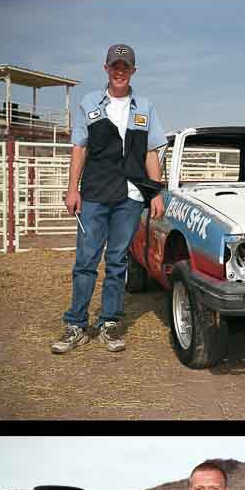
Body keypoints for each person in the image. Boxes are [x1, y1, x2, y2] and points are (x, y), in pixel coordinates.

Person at [53, 43, 166, 355]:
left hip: (129, 198)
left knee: (117, 261)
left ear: (133, 71)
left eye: (125, 66)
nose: (120, 71)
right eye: (114, 66)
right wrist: (72, 188)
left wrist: (154, 193)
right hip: (94, 195)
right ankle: (75, 323)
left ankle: (109, 322)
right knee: (86, 261)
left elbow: (151, 152)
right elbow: (80, 147)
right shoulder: (90, 103)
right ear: (106, 69)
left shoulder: (144, 107)